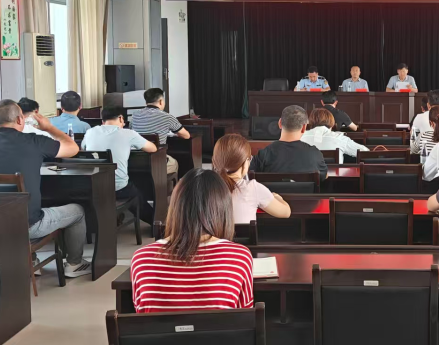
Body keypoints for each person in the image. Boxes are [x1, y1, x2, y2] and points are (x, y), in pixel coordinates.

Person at [130, 169, 254, 313]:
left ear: (176, 207)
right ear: (223, 209)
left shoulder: (141, 259)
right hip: (218, 329)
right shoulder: (240, 257)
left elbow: (141, 315)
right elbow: (244, 318)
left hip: (161, 329)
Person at [0, 99, 91, 278]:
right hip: (27, 226)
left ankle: (31, 260)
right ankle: (74, 264)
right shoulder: (34, 141)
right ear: (20, 120)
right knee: (77, 211)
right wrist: (49, 128)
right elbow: (72, 148)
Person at [82, 107, 158, 224]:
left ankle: (116, 216)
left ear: (103, 121)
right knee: (136, 192)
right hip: (118, 189)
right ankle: (156, 223)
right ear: (121, 118)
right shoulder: (128, 133)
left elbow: (83, 148)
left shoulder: (90, 132)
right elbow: (153, 148)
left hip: (94, 186)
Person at [212, 134, 291, 224]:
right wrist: (277, 197)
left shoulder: (205, 188)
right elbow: (286, 212)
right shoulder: (253, 188)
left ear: (214, 161)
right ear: (245, 162)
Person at [250, 105, 328, 181]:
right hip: (304, 190)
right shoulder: (315, 154)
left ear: (280, 123)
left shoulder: (263, 154)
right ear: (304, 127)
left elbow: (251, 178)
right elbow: (323, 176)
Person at [130, 88, 190, 175]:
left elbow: (132, 132)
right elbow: (186, 135)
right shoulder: (167, 117)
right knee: (174, 163)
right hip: (157, 161)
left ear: (146, 102)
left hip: (135, 162)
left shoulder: (134, 115)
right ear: (161, 101)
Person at [301, 108, 368, 164]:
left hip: (305, 175)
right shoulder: (339, 138)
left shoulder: (300, 137)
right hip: (334, 175)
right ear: (331, 123)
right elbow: (365, 152)